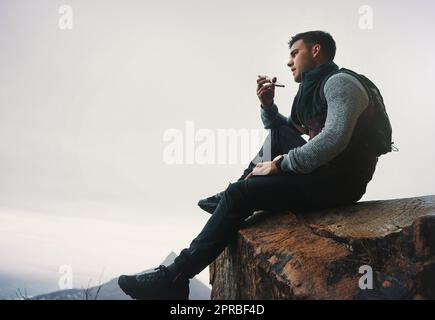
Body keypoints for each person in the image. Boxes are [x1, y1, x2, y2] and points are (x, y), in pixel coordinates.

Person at [118, 30, 379, 300]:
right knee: (274, 139)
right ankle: (238, 189)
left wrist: (282, 164)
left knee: (239, 197)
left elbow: (334, 139)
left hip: (340, 183)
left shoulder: (341, 83)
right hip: (324, 172)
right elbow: (284, 130)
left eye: (294, 54)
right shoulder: (312, 89)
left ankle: (174, 278)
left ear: (316, 51)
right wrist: (268, 105)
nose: (289, 62)